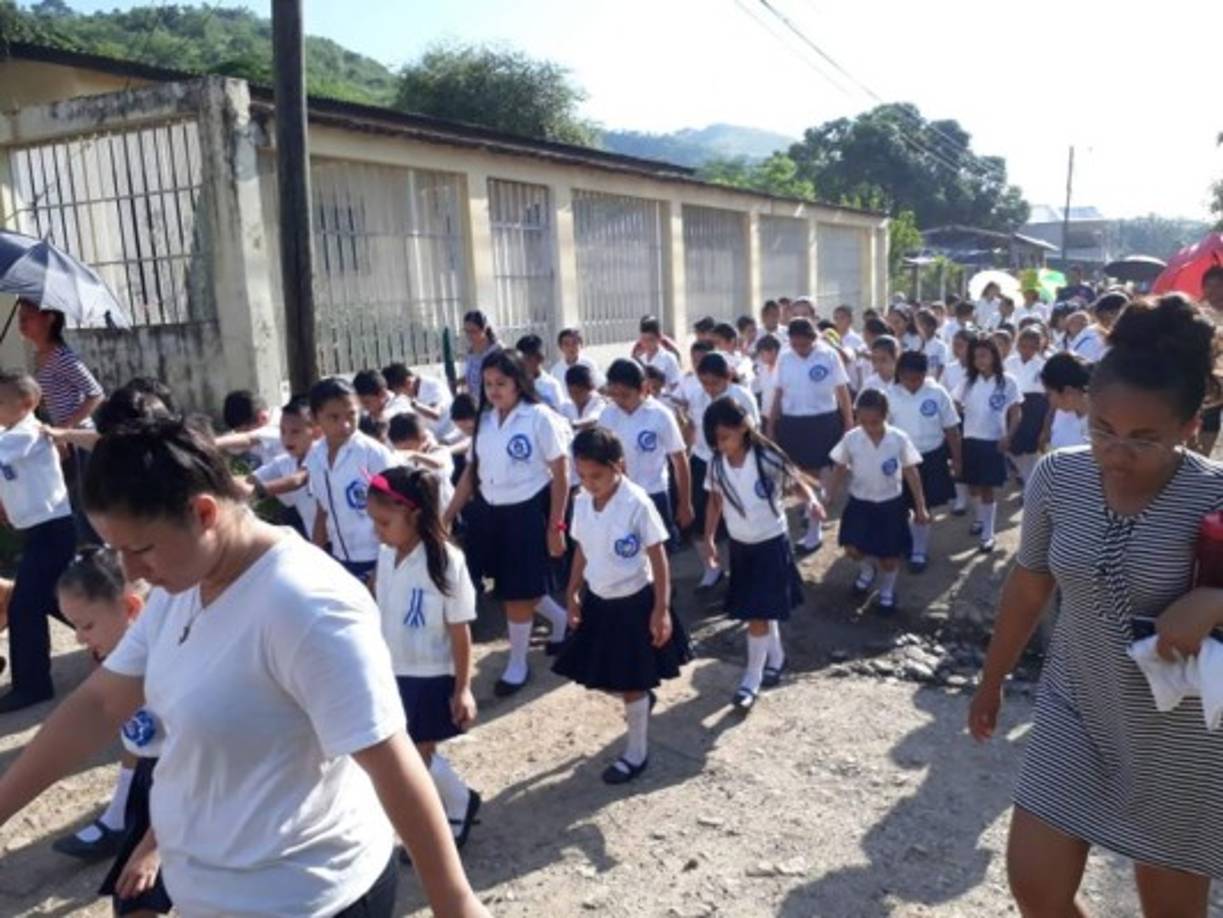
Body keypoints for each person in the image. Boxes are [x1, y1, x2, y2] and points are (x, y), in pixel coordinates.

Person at [0, 417, 487, 917]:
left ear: (204, 512)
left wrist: (454, 900)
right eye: (116, 550)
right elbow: (101, 704)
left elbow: (390, 759)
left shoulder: (305, 605)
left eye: (139, 548)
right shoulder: (181, 586)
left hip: (303, 897)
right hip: (211, 892)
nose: (130, 572)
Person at [969, 294, 1223, 917]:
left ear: (1191, 426)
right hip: (1074, 704)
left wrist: (1215, 600)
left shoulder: (1215, 498)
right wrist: (991, 680)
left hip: (1179, 738)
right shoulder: (1058, 477)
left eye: (1144, 438)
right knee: (1035, 885)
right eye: (1102, 428)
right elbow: (1029, 586)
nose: (1116, 452)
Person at [553, 428, 690, 784]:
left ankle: (636, 752)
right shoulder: (582, 500)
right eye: (582, 476)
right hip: (600, 601)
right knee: (603, 674)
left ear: (619, 466)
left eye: (596, 475)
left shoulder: (636, 503)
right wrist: (572, 591)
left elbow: (658, 558)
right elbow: (581, 547)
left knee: (630, 680)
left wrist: (661, 609)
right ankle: (641, 700)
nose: (589, 483)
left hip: (634, 603)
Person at [443, 349, 570, 695]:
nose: (494, 390)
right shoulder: (484, 422)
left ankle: (517, 663)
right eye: (487, 384)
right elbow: (471, 473)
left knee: (517, 591)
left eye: (501, 383)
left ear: (519, 382)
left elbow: (560, 474)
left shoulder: (539, 418)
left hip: (528, 512)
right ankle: (559, 619)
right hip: (490, 512)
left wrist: (555, 525)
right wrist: (447, 516)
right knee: (512, 584)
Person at [54, 547, 172, 915]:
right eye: (74, 626)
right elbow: (137, 736)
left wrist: (155, 844)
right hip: (150, 788)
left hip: (186, 794)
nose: (77, 639)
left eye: (86, 625)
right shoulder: (115, 662)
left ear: (132, 608)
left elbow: (196, 769)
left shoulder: (167, 672)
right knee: (133, 900)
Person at [368, 467, 481, 850]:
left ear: (413, 514)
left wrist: (463, 687)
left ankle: (458, 802)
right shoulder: (386, 557)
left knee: (415, 753)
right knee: (412, 752)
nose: (377, 530)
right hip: (392, 670)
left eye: (384, 522)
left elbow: (459, 628)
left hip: (430, 673)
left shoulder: (447, 560)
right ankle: (454, 801)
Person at [701, 397, 824, 711]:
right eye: (715, 440)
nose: (721, 444)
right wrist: (710, 537)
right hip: (742, 546)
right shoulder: (716, 464)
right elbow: (716, 500)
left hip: (770, 543)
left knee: (757, 612)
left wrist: (811, 502)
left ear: (743, 428)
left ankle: (750, 679)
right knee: (760, 609)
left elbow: (797, 482)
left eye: (725, 436)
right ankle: (777, 658)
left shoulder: (765, 457)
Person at [0, 371, 77, 712]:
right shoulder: (9, 433)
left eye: (0, 402)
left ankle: (32, 686)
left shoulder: (28, 432)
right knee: (49, 598)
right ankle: (123, 639)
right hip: (41, 532)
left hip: (53, 530)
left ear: (27, 404)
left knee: (23, 605)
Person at [828, 388, 927, 614]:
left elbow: (911, 472)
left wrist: (920, 506)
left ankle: (887, 592)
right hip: (860, 503)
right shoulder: (851, 438)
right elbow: (840, 466)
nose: (869, 427)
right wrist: (829, 494)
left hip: (890, 505)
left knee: (889, 557)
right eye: (863, 421)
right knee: (852, 548)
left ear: (885, 415)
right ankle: (866, 571)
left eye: (875, 421)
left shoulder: (898, 439)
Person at [17, 297, 105, 537]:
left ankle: (96, 557)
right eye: (19, 317)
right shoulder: (40, 356)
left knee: (84, 501)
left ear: (50, 319)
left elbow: (95, 394)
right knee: (71, 500)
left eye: (28, 317)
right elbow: (51, 397)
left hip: (81, 438)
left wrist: (66, 429)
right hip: (63, 437)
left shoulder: (61, 357)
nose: (21, 323)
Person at [768, 317, 853, 548]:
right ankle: (812, 508)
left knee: (822, 470)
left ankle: (815, 528)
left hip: (823, 420)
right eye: (795, 345)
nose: (799, 349)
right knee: (798, 473)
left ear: (813, 338)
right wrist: (771, 424)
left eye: (804, 345)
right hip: (793, 422)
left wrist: (848, 421)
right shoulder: (785, 358)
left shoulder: (828, 355)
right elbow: (777, 392)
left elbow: (842, 389)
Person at [304, 377, 399, 581]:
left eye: (351, 415)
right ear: (314, 418)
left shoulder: (373, 454)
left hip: (378, 559)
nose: (345, 425)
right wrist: (316, 555)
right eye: (334, 417)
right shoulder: (315, 457)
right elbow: (322, 510)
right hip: (339, 559)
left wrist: (381, 567)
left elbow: (397, 509)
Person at [599, 358, 693, 551]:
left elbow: (680, 460)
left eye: (625, 395)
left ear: (643, 388)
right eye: (614, 395)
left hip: (654, 493)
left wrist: (685, 503)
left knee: (659, 551)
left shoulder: (660, 415)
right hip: (620, 495)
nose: (619, 401)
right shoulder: (607, 415)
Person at [688, 352, 761, 585]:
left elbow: (754, 432)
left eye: (714, 383)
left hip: (735, 463)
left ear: (728, 377)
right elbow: (693, 427)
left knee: (737, 519)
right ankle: (712, 569)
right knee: (700, 521)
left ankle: (742, 572)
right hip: (703, 461)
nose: (709, 388)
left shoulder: (741, 396)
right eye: (704, 383)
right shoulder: (697, 396)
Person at [888, 352, 962, 573]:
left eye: (917, 378)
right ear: (899, 374)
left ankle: (919, 551)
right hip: (900, 460)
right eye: (907, 378)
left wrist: (957, 459)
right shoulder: (889, 395)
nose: (912, 383)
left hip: (930, 456)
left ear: (925, 374)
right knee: (898, 506)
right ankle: (903, 542)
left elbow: (951, 428)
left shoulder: (937, 393)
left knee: (924, 506)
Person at [954, 336, 1022, 553]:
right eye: (975, 357)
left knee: (987, 488)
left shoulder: (1007, 381)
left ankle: (988, 533)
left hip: (993, 441)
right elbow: (954, 404)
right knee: (973, 485)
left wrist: (1008, 436)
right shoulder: (968, 381)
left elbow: (1015, 412)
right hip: (970, 440)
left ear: (995, 355)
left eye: (984, 355)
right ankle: (980, 519)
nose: (980, 360)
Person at [246, 395, 320, 540]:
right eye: (283, 431)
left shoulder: (320, 454)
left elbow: (296, 480)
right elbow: (249, 480)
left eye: (295, 432)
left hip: (343, 542)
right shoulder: (285, 461)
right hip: (316, 537)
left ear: (316, 432)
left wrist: (258, 492)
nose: (287, 438)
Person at [1005, 327, 1050, 488]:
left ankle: (1030, 483)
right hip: (1013, 406)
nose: (1027, 350)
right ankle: (1026, 477)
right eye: (1023, 346)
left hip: (1035, 408)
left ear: (1039, 347)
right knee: (1012, 447)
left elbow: (1047, 394)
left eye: (1032, 347)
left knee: (1031, 450)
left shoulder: (1043, 364)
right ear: (1017, 345)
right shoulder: (1009, 362)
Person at [388, 412, 456, 511]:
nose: (405, 452)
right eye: (401, 449)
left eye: (409, 447)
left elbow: (440, 464)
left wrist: (415, 455)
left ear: (422, 438)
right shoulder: (400, 456)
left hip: (445, 510)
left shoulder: (438, 450)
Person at [382, 362, 455, 443]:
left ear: (408, 382)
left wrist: (412, 403)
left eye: (397, 392)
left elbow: (436, 413)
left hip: (450, 439)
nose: (397, 396)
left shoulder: (433, 386)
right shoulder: (413, 393)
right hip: (434, 440)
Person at [215, 389, 281, 469]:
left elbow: (248, 439)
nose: (238, 436)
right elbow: (230, 442)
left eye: (245, 431)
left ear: (262, 418)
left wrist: (203, 443)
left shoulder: (282, 425)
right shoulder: (260, 423)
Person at [1039, 353, 1091, 451]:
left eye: (1049, 394)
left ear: (1068, 391)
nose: (1048, 400)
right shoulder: (1061, 411)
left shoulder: (1099, 426)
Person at [516, 333, 567, 411]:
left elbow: (560, 413)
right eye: (520, 360)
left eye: (527, 359)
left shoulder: (551, 385)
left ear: (540, 358)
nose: (523, 363)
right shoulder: (516, 383)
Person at [636, 317, 682, 393]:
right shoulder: (640, 359)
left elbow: (676, 386)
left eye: (651, 339)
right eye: (644, 339)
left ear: (659, 338)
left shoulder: (669, 358)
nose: (647, 344)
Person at [461, 309, 501, 397]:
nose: (469, 336)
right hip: (474, 402)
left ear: (484, 329)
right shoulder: (470, 352)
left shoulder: (497, 350)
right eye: (466, 331)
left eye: (473, 331)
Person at [560, 364, 607, 430]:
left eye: (578, 392)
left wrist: (574, 425)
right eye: (571, 392)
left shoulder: (599, 402)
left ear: (589, 389)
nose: (574, 396)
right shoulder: (565, 405)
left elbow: (594, 419)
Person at [915, 308, 949, 381]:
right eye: (917, 324)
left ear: (932, 326)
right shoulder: (915, 345)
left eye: (922, 323)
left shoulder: (940, 346)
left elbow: (941, 367)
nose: (919, 327)